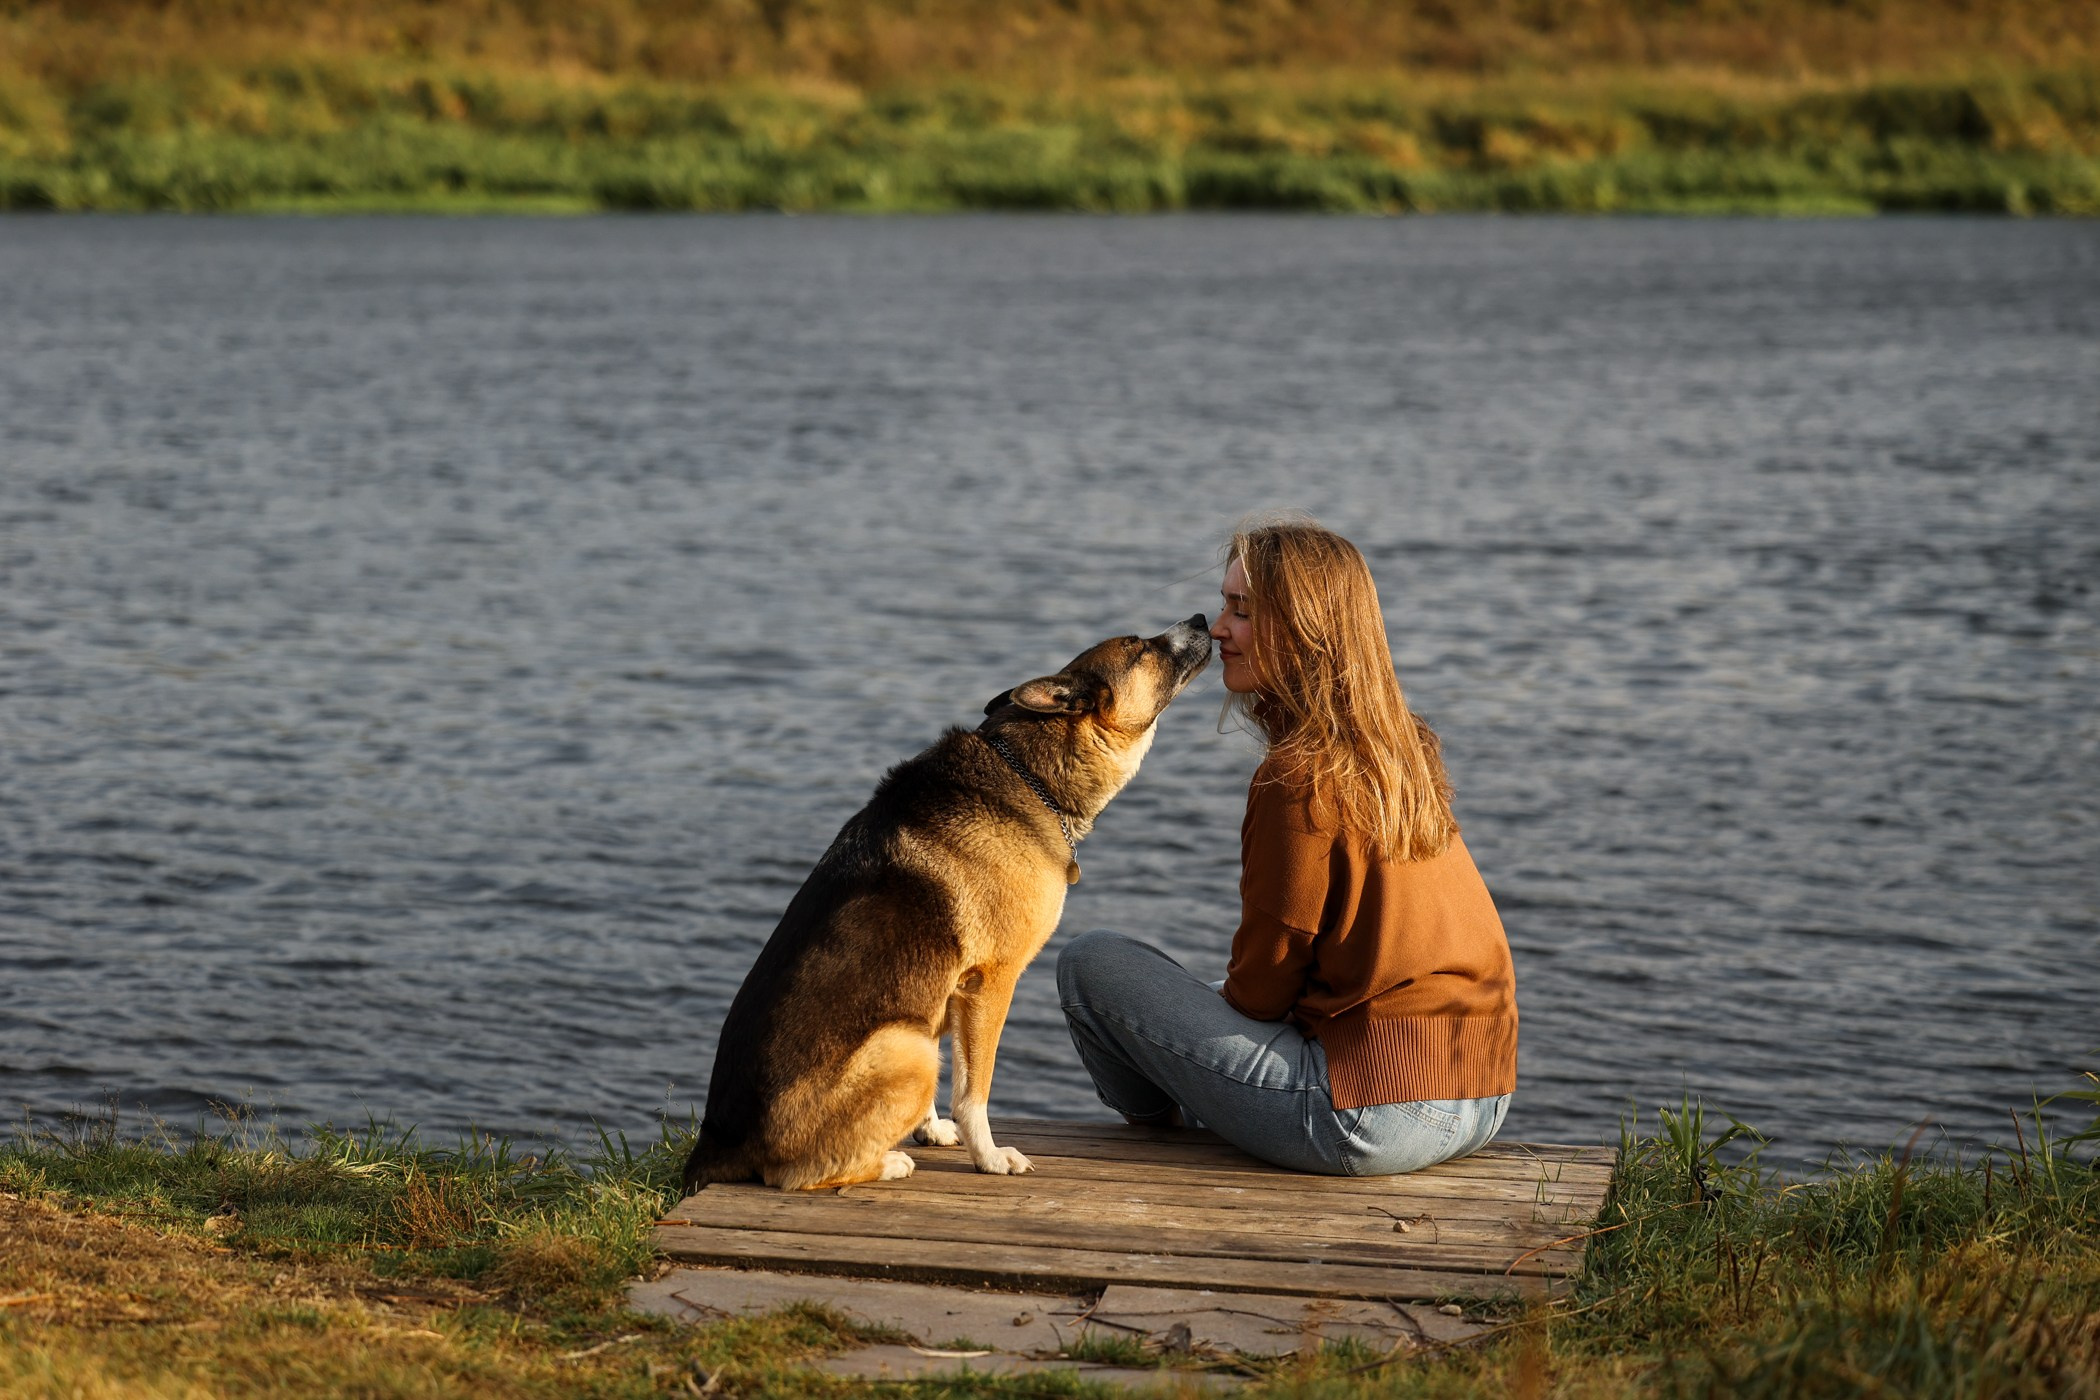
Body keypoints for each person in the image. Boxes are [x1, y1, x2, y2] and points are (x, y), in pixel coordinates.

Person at [1055, 519, 1517, 1176]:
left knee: (1092, 966)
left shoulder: (1297, 776)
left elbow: (1262, 992)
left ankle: (1161, 1147)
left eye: (1242, 612)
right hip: (1484, 1092)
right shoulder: (1400, 749)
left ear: (1304, 631)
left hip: (1369, 1115)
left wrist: (1181, 1029)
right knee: (1189, 993)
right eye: (1225, 606)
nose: (1218, 629)